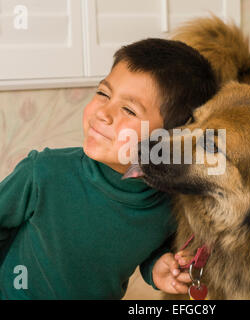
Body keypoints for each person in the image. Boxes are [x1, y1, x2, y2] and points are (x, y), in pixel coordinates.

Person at [0, 38, 217, 299]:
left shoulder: (169, 205)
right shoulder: (43, 173)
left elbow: (148, 247)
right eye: (103, 93)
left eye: (128, 109)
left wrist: (157, 268)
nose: (103, 112)